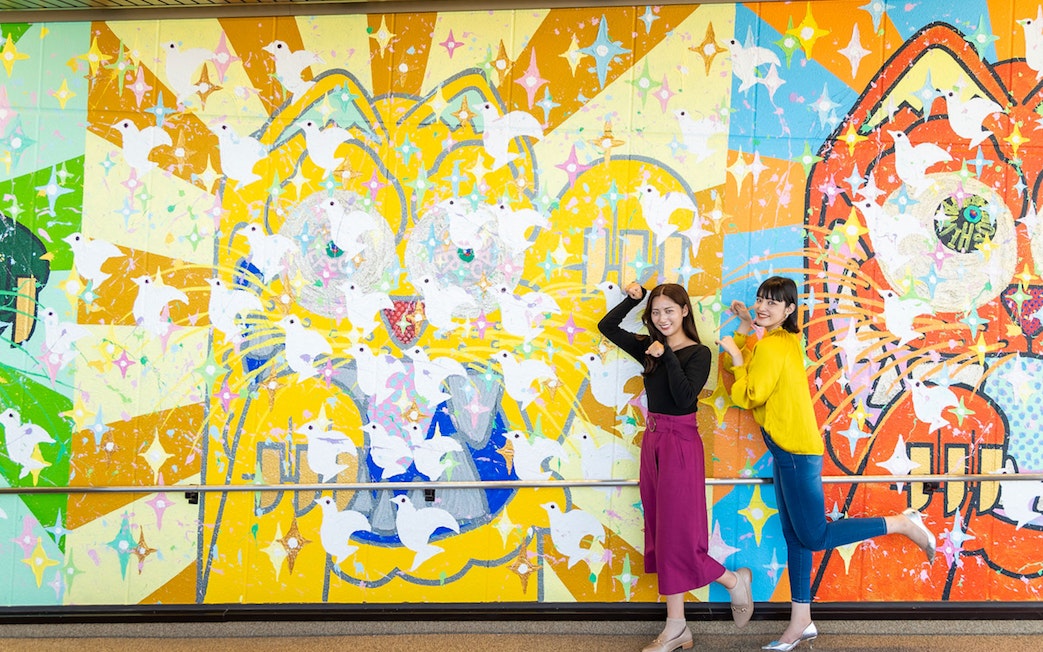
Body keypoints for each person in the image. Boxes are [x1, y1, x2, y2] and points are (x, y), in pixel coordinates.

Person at [718, 276, 936, 651]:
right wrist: (743, 329)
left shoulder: (771, 346)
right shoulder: (780, 341)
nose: (764, 307)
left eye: (774, 302)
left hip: (795, 453)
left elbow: (749, 393)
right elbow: (750, 363)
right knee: (796, 538)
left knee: (814, 536)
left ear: (789, 310)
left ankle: (901, 523)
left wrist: (738, 358)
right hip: (789, 451)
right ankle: (801, 622)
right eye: (760, 300)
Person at [599, 281, 754, 652]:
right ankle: (679, 624)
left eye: (669, 310)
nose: (662, 318)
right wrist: (631, 300)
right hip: (652, 443)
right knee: (661, 531)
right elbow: (607, 327)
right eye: (655, 312)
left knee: (678, 535)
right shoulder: (648, 347)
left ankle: (730, 583)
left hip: (681, 445)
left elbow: (686, 397)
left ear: (685, 311)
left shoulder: (699, 353)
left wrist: (665, 354)